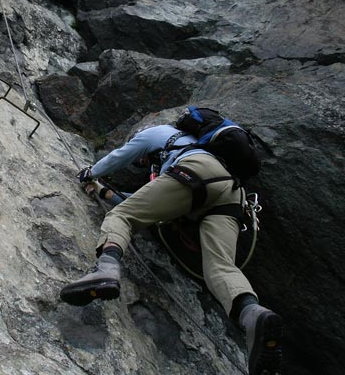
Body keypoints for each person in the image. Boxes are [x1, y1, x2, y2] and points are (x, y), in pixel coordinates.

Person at [62, 123, 283, 375]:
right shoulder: (198, 146)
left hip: (197, 171)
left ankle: (106, 269)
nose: (143, 163)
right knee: (221, 266)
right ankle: (253, 314)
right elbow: (148, 208)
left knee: (122, 217)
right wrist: (101, 192)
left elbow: (119, 159)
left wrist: (90, 174)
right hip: (233, 194)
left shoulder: (156, 133)